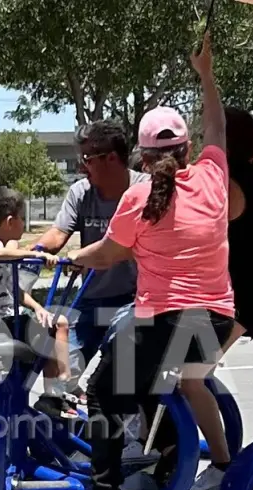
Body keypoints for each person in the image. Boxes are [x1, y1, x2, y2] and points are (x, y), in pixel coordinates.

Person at [61, 32, 236, 490]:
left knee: (101, 391)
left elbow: (107, 253)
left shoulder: (138, 201)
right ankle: (219, 463)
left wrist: (68, 260)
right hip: (216, 320)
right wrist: (206, 75)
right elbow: (217, 128)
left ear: (140, 158)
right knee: (181, 378)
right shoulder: (212, 179)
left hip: (164, 321)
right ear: (187, 150)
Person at [179, 105, 253, 490]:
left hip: (243, 296)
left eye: (209, 138)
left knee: (189, 376)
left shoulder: (233, 185)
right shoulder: (249, 179)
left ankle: (221, 465)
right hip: (226, 291)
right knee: (162, 362)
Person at [35, 120, 149, 395]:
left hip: (138, 299)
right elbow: (58, 233)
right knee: (60, 383)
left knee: (118, 378)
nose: (81, 167)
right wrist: (34, 252)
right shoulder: (81, 192)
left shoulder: (145, 189)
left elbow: (123, 247)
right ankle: (77, 430)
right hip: (91, 299)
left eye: (87, 159)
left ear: (111, 158)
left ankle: (131, 431)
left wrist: (82, 255)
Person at [0, 187, 80, 419]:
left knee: (49, 322)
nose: (24, 223)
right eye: (22, 218)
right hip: (2, 326)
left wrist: (37, 308)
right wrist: (36, 255)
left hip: (0, 322)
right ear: (10, 221)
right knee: (60, 324)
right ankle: (61, 389)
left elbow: (13, 290)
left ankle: (55, 391)